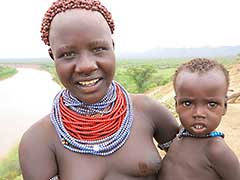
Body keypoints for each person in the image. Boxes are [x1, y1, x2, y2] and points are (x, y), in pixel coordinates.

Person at [18, 0, 179, 179]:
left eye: (98, 49)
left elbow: (193, 163)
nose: (86, 66)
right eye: (67, 54)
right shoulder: (38, 141)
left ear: (113, 47)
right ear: (53, 57)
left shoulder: (149, 111)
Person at [158, 58, 240, 180]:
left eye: (211, 104)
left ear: (224, 107)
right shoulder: (180, 134)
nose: (198, 113)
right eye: (187, 103)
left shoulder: (216, 150)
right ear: (176, 105)